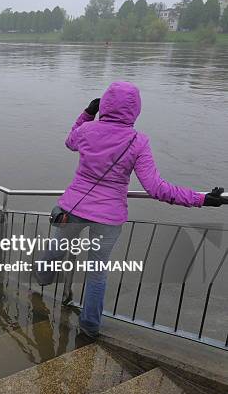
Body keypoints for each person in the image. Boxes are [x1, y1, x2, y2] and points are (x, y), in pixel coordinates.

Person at [35, 81, 227, 339]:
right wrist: (202, 199)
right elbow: (156, 188)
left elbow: (70, 141)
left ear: (104, 103)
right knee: (96, 274)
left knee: (55, 250)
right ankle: (90, 329)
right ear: (136, 110)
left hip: (73, 208)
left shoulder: (87, 130)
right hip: (109, 218)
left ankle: (41, 284)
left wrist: (87, 113)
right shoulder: (138, 142)